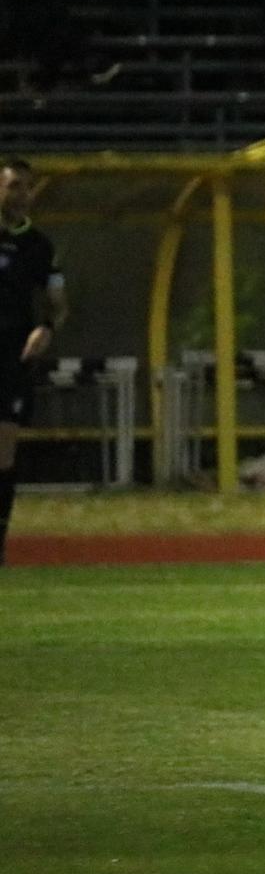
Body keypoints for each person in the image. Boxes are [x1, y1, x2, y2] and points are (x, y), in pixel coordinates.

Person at [0, 157, 66, 567]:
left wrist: (46, 328)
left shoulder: (39, 246)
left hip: (11, 358)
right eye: (13, 186)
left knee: (4, 453)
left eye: (27, 187)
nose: (22, 195)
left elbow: (58, 304)